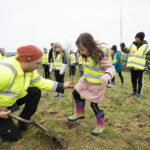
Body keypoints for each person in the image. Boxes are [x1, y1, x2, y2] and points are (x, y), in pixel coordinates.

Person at [0, 45, 73, 142]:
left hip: (11, 101)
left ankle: (23, 122)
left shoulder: (30, 70)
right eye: (37, 63)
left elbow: (41, 82)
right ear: (27, 60)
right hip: (1, 106)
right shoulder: (5, 72)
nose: (39, 66)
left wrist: (61, 86)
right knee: (14, 137)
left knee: (35, 91)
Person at [67, 33, 115, 136]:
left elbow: (111, 68)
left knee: (94, 104)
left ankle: (101, 124)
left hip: (97, 83)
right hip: (85, 79)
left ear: (89, 46)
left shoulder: (100, 56)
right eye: (79, 50)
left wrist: (107, 75)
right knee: (75, 92)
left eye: (82, 50)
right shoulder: (85, 54)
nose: (81, 52)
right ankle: (80, 113)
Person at [120, 32, 150, 99]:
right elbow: (125, 50)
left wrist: (147, 66)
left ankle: (139, 93)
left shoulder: (147, 47)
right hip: (132, 66)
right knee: (133, 80)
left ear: (141, 38)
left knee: (140, 81)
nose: (136, 38)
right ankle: (134, 91)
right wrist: (122, 45)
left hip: (141, 67)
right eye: (135, 37)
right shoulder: (132, 45)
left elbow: (149, 57)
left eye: (137, 37)